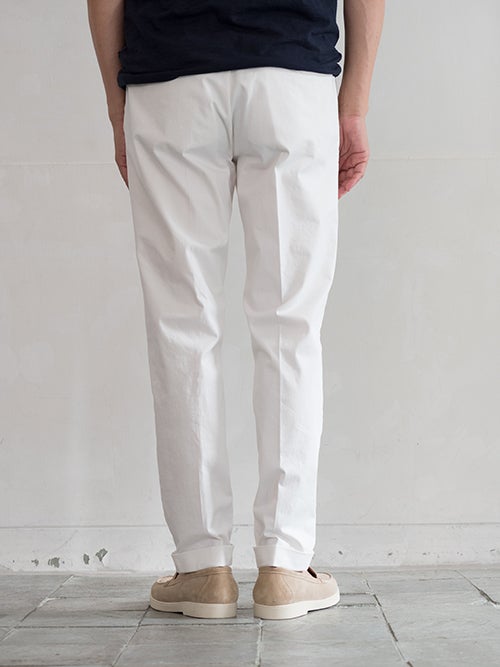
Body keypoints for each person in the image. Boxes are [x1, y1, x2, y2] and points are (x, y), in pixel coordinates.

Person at [87, 0, 384, 621]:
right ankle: (285, 565)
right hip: (290, 78)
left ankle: (201, 568)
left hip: (168, 80)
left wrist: (119, 110)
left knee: (181, 325)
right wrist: (352, 106)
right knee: (290, 326)